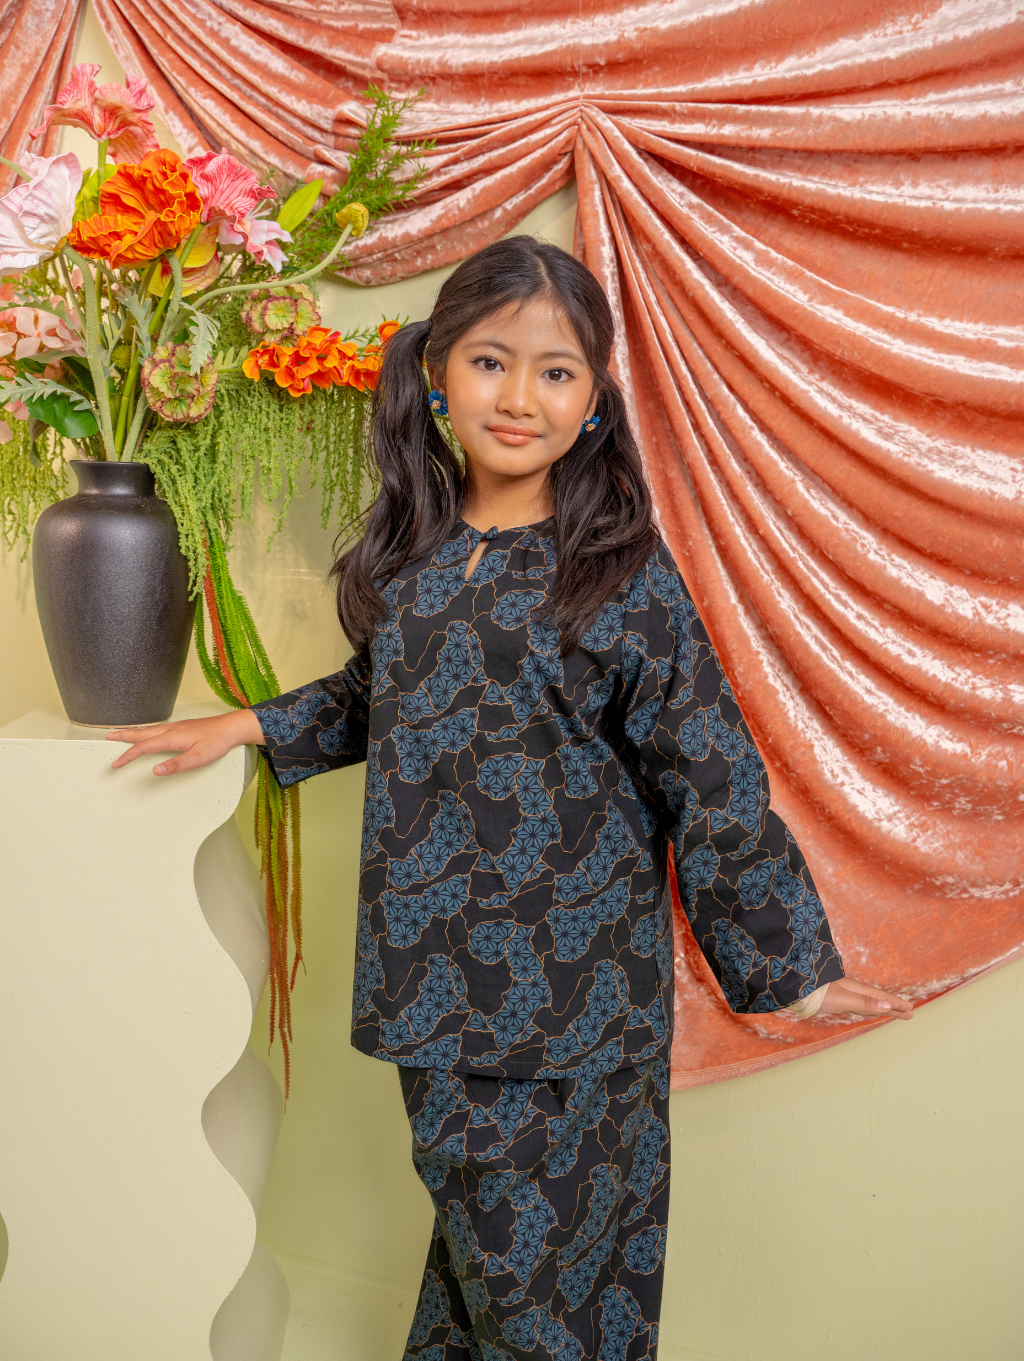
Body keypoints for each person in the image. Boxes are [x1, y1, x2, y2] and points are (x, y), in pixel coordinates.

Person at [109, 236, 912, 1360]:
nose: (520, 396)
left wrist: (790, 963)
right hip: (431, 988)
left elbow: (708, 768)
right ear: (437, 371)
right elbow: (385, 695)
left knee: (553, 1292)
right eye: (491, 361)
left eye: (556, 370)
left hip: (573, 1004)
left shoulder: (618, 570)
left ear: (594, 399)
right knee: (481, 1267)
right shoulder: (415, 553)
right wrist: (248, 724)